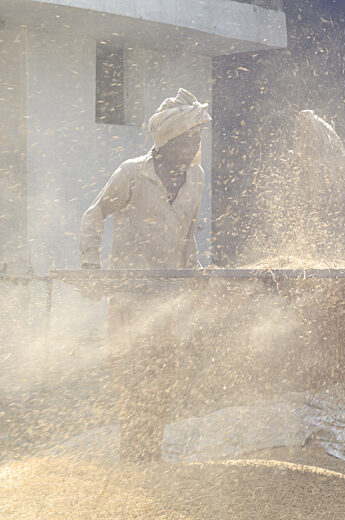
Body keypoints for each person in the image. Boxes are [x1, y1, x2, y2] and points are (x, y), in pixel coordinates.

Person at [79, 88, 210, 462]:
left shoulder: (196, 177)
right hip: (128, 297)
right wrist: (91, 267)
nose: (194, 148)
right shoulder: (132, 173)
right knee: (130, 377)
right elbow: (93, 215)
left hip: (166, 298)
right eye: (188, 141)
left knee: (162, 377)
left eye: (198, 140)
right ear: (167, 141)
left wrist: (196, 275)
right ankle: (131, 453)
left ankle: (151, 451)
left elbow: (189, 235)